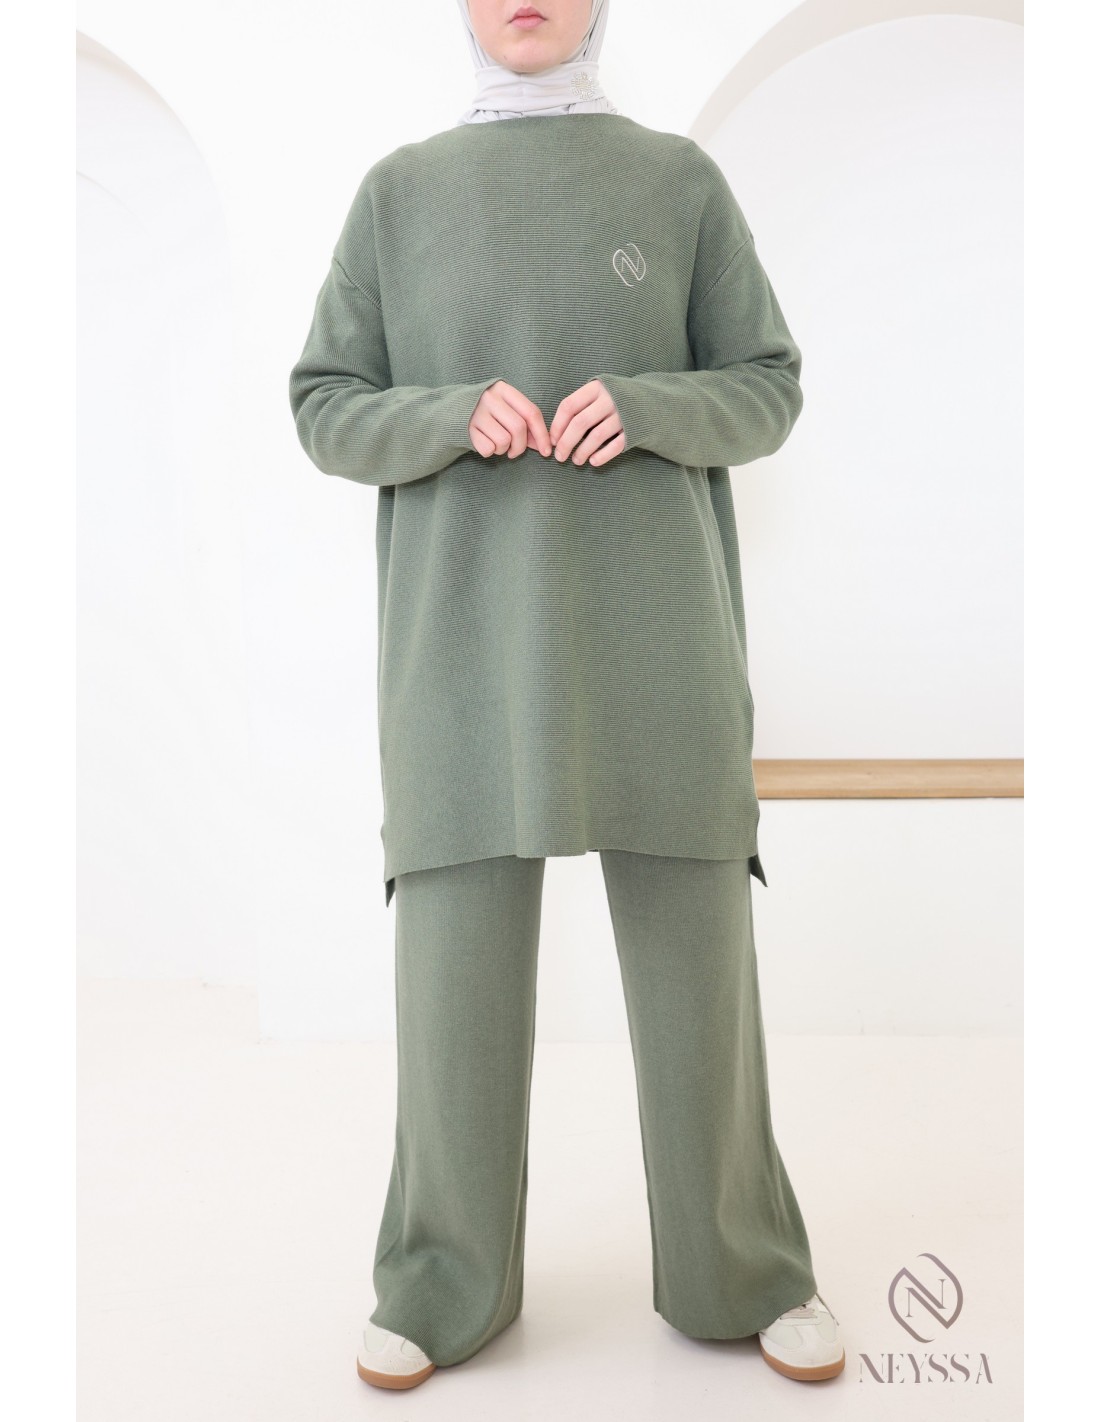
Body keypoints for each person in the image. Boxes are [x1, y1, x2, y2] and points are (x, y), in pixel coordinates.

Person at [288, 0, 845, 1391]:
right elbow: (323, 402)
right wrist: (443, 415)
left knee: (701, 985)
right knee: (453, 998)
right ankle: (440, 1284)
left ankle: (743, 1268)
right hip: (463, 662)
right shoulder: (399, 194)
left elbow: (768, 386)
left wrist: (652, 404)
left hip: (659, 648)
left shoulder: (677, 180)